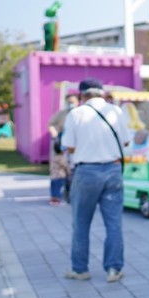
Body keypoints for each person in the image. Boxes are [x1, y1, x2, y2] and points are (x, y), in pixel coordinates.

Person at [61, 79, 129, 283]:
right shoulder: (115, 111)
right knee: (114, 223)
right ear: (101, 93)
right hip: (113, 170)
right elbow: (125, 141)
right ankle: (114, 269)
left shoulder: (76, 114)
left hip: (87, 171)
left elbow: (69, 147)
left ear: (82, 95)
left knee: (81, 223)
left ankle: (80, 269)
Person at [47, 93, 78, 205]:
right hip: (61, 148)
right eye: (69, 102)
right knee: (58, 173)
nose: (71, 104)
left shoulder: (81, 114)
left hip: (76, 149)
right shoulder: (61, 115)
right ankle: (56, 196)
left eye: (73, 101)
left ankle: (71, 196)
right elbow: (51, 124)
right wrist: (55, 135)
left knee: (73, 174)